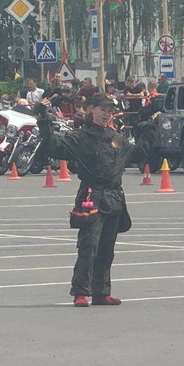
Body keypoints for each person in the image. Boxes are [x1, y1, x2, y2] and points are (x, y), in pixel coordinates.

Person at [35, 93, 147, 307]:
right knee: (89, 246)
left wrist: (147, 129)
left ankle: (102, 292)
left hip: (114, 198)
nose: (107, 114)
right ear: (91, 109)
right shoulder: (80, 137)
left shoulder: (116, 138)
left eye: (110, 111)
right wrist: (44, 120)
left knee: (107, 248)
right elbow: (52, 145)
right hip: (91, 196)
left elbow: (138, 154)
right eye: (103, 109)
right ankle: (80, 292)